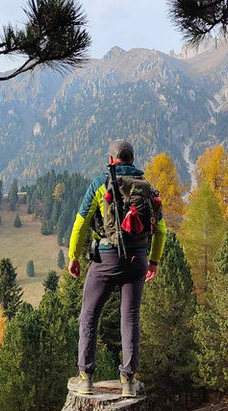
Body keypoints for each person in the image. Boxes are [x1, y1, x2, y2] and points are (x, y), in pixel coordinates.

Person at [65, 140, 167, 397]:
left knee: (89, 314)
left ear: (111, 160)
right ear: (132, 159)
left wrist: (73, 257)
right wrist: (153, 261)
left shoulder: (101, 183)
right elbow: (161, 230)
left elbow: (81, 222)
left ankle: (85, 377)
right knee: (130, 317)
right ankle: (128, 382)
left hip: (105, 260)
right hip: (137, 261)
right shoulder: (147, 188)